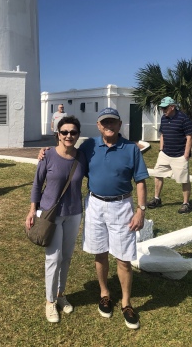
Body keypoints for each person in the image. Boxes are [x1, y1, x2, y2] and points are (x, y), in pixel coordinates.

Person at [39, 108, 148, 329]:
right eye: (104, 122)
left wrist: (141, 210)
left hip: (122, 205)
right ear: (98, 126)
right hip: (96, 204)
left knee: (124, 257)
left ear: (119, 125)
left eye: (113, 122)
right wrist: (46, 152)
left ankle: (126, 302)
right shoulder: (89, 146)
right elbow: (66, 153)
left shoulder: (130, 148)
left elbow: (140, 181)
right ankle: (104, 293)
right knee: (100, 252)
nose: (108, 125)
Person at [26, 116, 87, 323]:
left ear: (78, 135)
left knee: (67, 256)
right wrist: (32, 210)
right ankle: (50, 301)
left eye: (73, 132)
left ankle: (61, 295)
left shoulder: (82, 157)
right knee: (53, 258)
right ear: (58, 135)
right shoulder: (48, 155)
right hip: (50, 213)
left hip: (74, 212)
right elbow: (37, 184)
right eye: (65, 132)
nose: (69, 135)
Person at [147, 96, 192, 214]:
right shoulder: (164, 118)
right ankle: (157, 199)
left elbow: (189, 137)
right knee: (158, 174)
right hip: (165, 154)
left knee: (184, 179)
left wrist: (186, 155)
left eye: (165, 108)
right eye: (162, 108)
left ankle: (186, 203)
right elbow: (162, 134)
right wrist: (161, 149)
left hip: (180, 155)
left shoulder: (184, 118)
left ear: (172, 107)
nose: (163, 110)